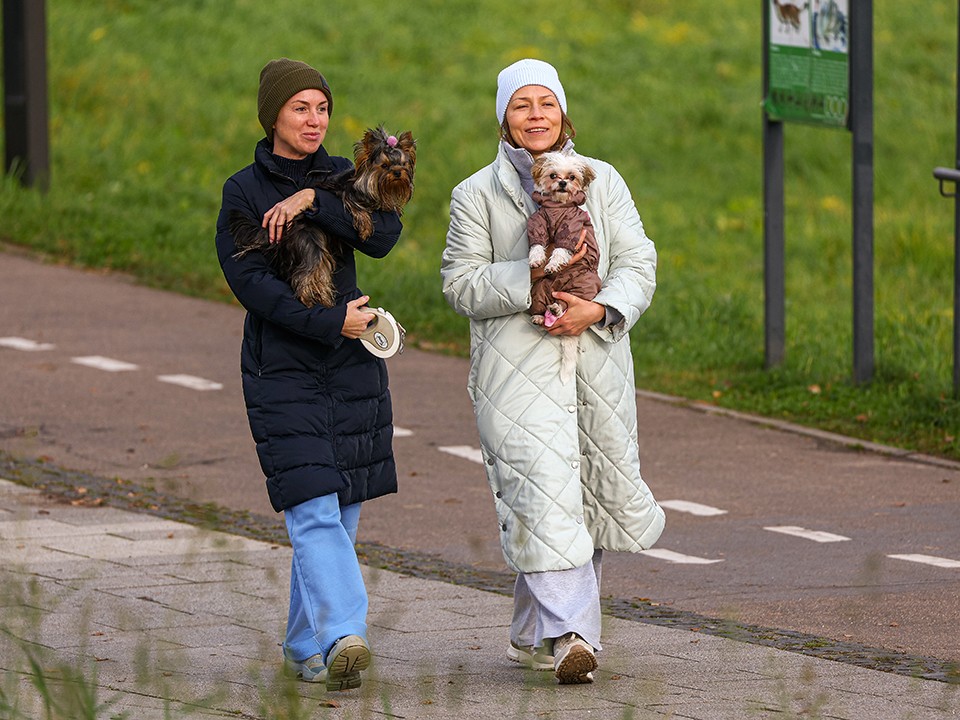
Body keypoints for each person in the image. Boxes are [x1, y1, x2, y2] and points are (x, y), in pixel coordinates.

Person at [440, 58, 665, 684]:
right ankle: (572, 638)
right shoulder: (475, 194)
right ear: (503, 118)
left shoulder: (604, 180)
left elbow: (638, 261)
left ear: (563, 112)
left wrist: (599, 307)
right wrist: (531, 276)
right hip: (516, 373)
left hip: (596, 361)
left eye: (546, 103)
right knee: (542, 491)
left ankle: (533, 632)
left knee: (586, 497)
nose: (536, 116)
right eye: (521, 105)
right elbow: (460, 285)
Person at [215, 58, 404, 692]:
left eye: (321, 108)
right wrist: (329, 324)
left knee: (341, 513)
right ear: (273, 115)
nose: (314, 120)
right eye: (300, 108)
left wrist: (312, 200)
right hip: (285, 368)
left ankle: (305, 644)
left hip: (353, 368)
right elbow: (250, 283)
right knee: (312, 507)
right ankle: (346, 633)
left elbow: (382, 234)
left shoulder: (344, 178)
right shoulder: (242, 191)